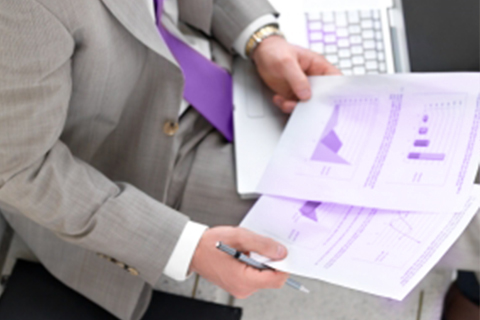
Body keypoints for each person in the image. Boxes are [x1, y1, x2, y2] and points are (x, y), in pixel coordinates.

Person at [1, 1, 479, 320]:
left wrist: (260, 37)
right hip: (144, 160)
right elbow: (19, 168)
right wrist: (186, 247)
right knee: (431, 210)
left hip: (224, 67)